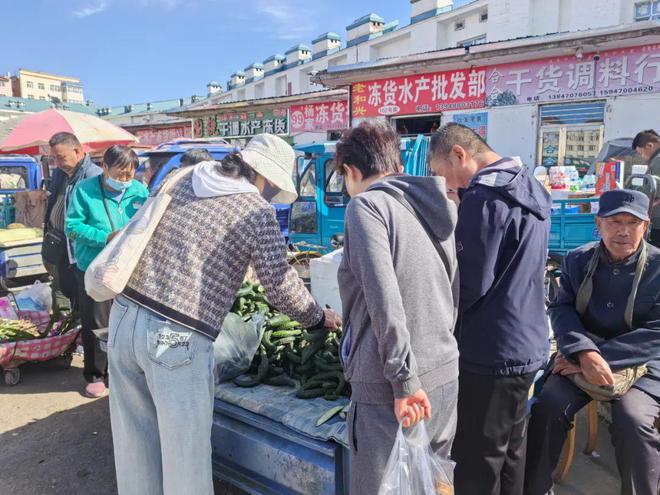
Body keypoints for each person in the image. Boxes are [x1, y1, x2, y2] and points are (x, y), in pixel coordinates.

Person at [107, 134, 341, 495]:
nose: (270, 196)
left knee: (135, 445)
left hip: (122, 317)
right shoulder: (255, 210)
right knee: (185, 455)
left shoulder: (183, 178)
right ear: (264, 177)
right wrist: (316, 318)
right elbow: (279, 285)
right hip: (175, 336)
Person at [337, 121, 460, 495]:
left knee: (383, 486)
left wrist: (404, 380)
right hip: (443, 372)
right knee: (434, 482)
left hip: (391, 385)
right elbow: (451, 289)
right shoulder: (433, 205)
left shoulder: (367, 207)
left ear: (351, 171)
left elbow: (383, 299)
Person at [428, 123, 552, 495]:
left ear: (459, 155)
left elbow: (469, 283)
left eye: (440, 172)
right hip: (527, 344)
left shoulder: (485, 197)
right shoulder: (529, 185)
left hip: (491, 352)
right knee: (511, 453)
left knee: (477, 462)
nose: (445, 184)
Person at [525, 189, 660, 495]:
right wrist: (583, 352)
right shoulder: (578, 259)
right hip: (580, 354)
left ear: (646, 225)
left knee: (634, 419)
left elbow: (656, 331)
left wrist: (593, 358)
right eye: (614, 222)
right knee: (547, 408)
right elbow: (561, 308)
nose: (623, 231)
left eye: (632, 223)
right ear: (598, 223)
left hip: (643, 363)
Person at [65, 145, 148, 398]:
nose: (125, 179)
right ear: (105, 168)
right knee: (98, 322)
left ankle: (123, 372)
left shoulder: (140, 191)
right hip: (95, 267)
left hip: (128, 267)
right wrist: (105, 237)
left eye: (130, 174)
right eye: (120, 173)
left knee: (129, 320)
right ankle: (95, 374)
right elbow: (72, 227)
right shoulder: (85, 191)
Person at [43, 132, 102, 312]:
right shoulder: (62, 173)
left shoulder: (93, 176)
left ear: (77, 151)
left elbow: (96, 218)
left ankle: (77, 332)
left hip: (79, 248)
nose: (57, 164)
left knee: (79, 298)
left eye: (61, 158)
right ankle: (66, 333)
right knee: (61, 291)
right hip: (59, 242)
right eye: (54, 159)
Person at [632, 129, 660, 246]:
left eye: (641, 152)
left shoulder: (658, 160)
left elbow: (655, 192)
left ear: (649, 145)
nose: (642, 157)